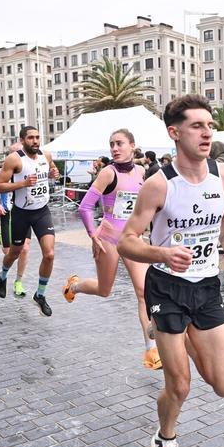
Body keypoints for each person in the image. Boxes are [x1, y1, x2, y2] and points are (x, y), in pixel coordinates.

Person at [118, 95, 224, 447]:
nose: (207, 134)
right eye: (197, 126)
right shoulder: (158, 185)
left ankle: (186, 335)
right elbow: (126, 241)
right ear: (175, 133)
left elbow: (222, 215)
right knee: (181, 385)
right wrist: (161, 253)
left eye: (209, 126)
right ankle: (165, 437)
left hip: (206, 287)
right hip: (167, 288)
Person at [63, 129, 160, 369]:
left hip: (133, 240)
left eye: (119, 143)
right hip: (108, 239)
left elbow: (150, 206)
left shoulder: (143, 173)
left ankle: (151, 351)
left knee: (143, 292)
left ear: (132, 146)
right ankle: (73, 285)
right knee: (104, 290)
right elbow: (85, 208)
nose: (115, 148)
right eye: (111, 144)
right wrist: (93, 236)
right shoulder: (108, 173)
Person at [0, 125, 60, 316]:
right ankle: (3, 275)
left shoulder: (46, 155)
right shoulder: (14, 159)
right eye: (31, 138)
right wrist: (22, 183)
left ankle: (40, 294)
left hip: (42, 211)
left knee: (49, 254)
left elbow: (52, 171)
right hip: (21, 213)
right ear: (22, 140)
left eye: (38, 137)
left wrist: (53, 174)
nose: (35, 141)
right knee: (15, 252)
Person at [0, 147, 33, 296]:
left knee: (25, 248)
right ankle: (4, 273)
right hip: (8, 214)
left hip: (25, 213)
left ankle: (18, 282)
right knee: (10, 252)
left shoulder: (30, 169)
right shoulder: (1, 172)